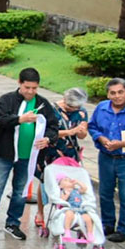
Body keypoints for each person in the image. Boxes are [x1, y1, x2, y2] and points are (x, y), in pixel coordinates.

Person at [0, 67, 57, 241]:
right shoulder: (6, 100)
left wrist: (48, 139)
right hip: (4, 153)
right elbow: (0, 120)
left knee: (20, 191)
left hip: (28, 156)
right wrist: (20, 120)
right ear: (19, 83)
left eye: (34, 88)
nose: (30, 92)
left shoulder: (42, 104)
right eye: (27, 87)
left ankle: (13, 223)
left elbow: (53, 126)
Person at [89, 78, 125, 243]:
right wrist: (101, 138)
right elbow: (92, 127)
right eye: (113, 93)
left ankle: (123, 229)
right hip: (106, 157)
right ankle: (107, 224)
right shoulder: (101, 108)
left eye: (120, 92)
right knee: (105, 193)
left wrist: (121, 144)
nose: (117, 96)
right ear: (108, 94)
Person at [35, 87, 88, 227]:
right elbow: (49, 132)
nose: (72, 109)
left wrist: (81, 131)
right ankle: (40, 212)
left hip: (70, 152)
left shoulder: (82, 112)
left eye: (75, 107)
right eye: (70, 106)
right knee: (45, 181)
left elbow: (82, 135)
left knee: (68, 183)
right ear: (64, 100)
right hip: (51, 149)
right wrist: (71, 131)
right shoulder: (52, 109)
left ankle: (68, 211)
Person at [57, 175, 95, 240]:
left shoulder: (77, 190)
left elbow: (85, 188)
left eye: (69, 180)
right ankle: (67, 231)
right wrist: (66, 195)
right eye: (65, 180)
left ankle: (90, 233)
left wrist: (77, 182)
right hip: (70, 208)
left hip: (80, 209)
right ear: (61, 186)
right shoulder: (63, 191)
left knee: (88, 218)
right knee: (69, 214)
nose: (69, 181)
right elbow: (60, 201)